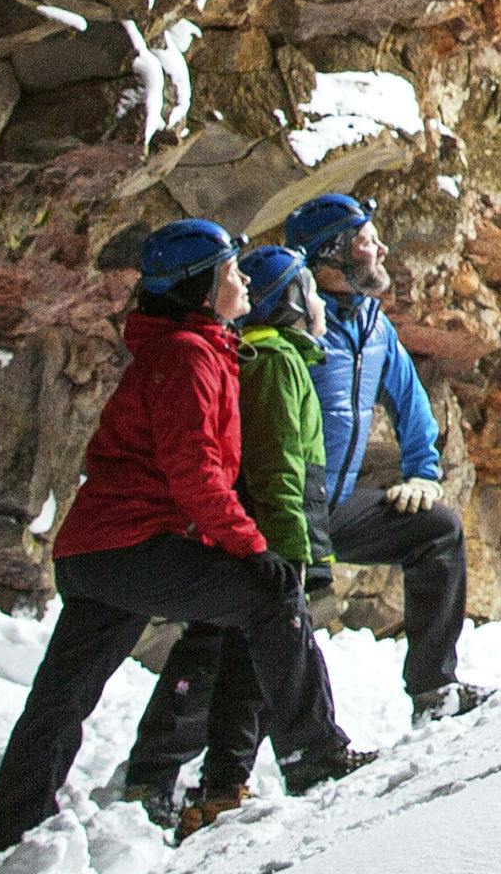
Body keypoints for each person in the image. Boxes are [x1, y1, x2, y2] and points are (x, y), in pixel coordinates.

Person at [0, 221, 368, 874]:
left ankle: (4, 844)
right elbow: (194, 472)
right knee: (270, 597)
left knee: (60, 701)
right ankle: (314, 754)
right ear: (201, 288)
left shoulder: (189, 348)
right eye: (231, 272)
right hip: (136, 546)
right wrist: (251, 545)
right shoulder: (188, 354)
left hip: (98, 554)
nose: (242, 281)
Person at [115, 245, 357, 837]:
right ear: (291, 301)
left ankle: (217, 783)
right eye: (309, 291)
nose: (321, 303)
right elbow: (279, 468)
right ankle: (192, 774)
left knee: (236, 655)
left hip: (253, 530)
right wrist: (293, 551)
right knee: (230, 650)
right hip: (259, 532)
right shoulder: (275, 362)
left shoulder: (272, 357)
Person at [283, 192, 487, 722]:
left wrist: (423, 472)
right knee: (264, 623)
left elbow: (409, 398)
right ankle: (173, 769)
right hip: (283, 507)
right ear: (332, 255)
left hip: (334, 504)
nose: (382, 249)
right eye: (368, 241)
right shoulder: (295, 322)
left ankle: (434, 690)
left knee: (437, 528)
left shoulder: (372, 323)